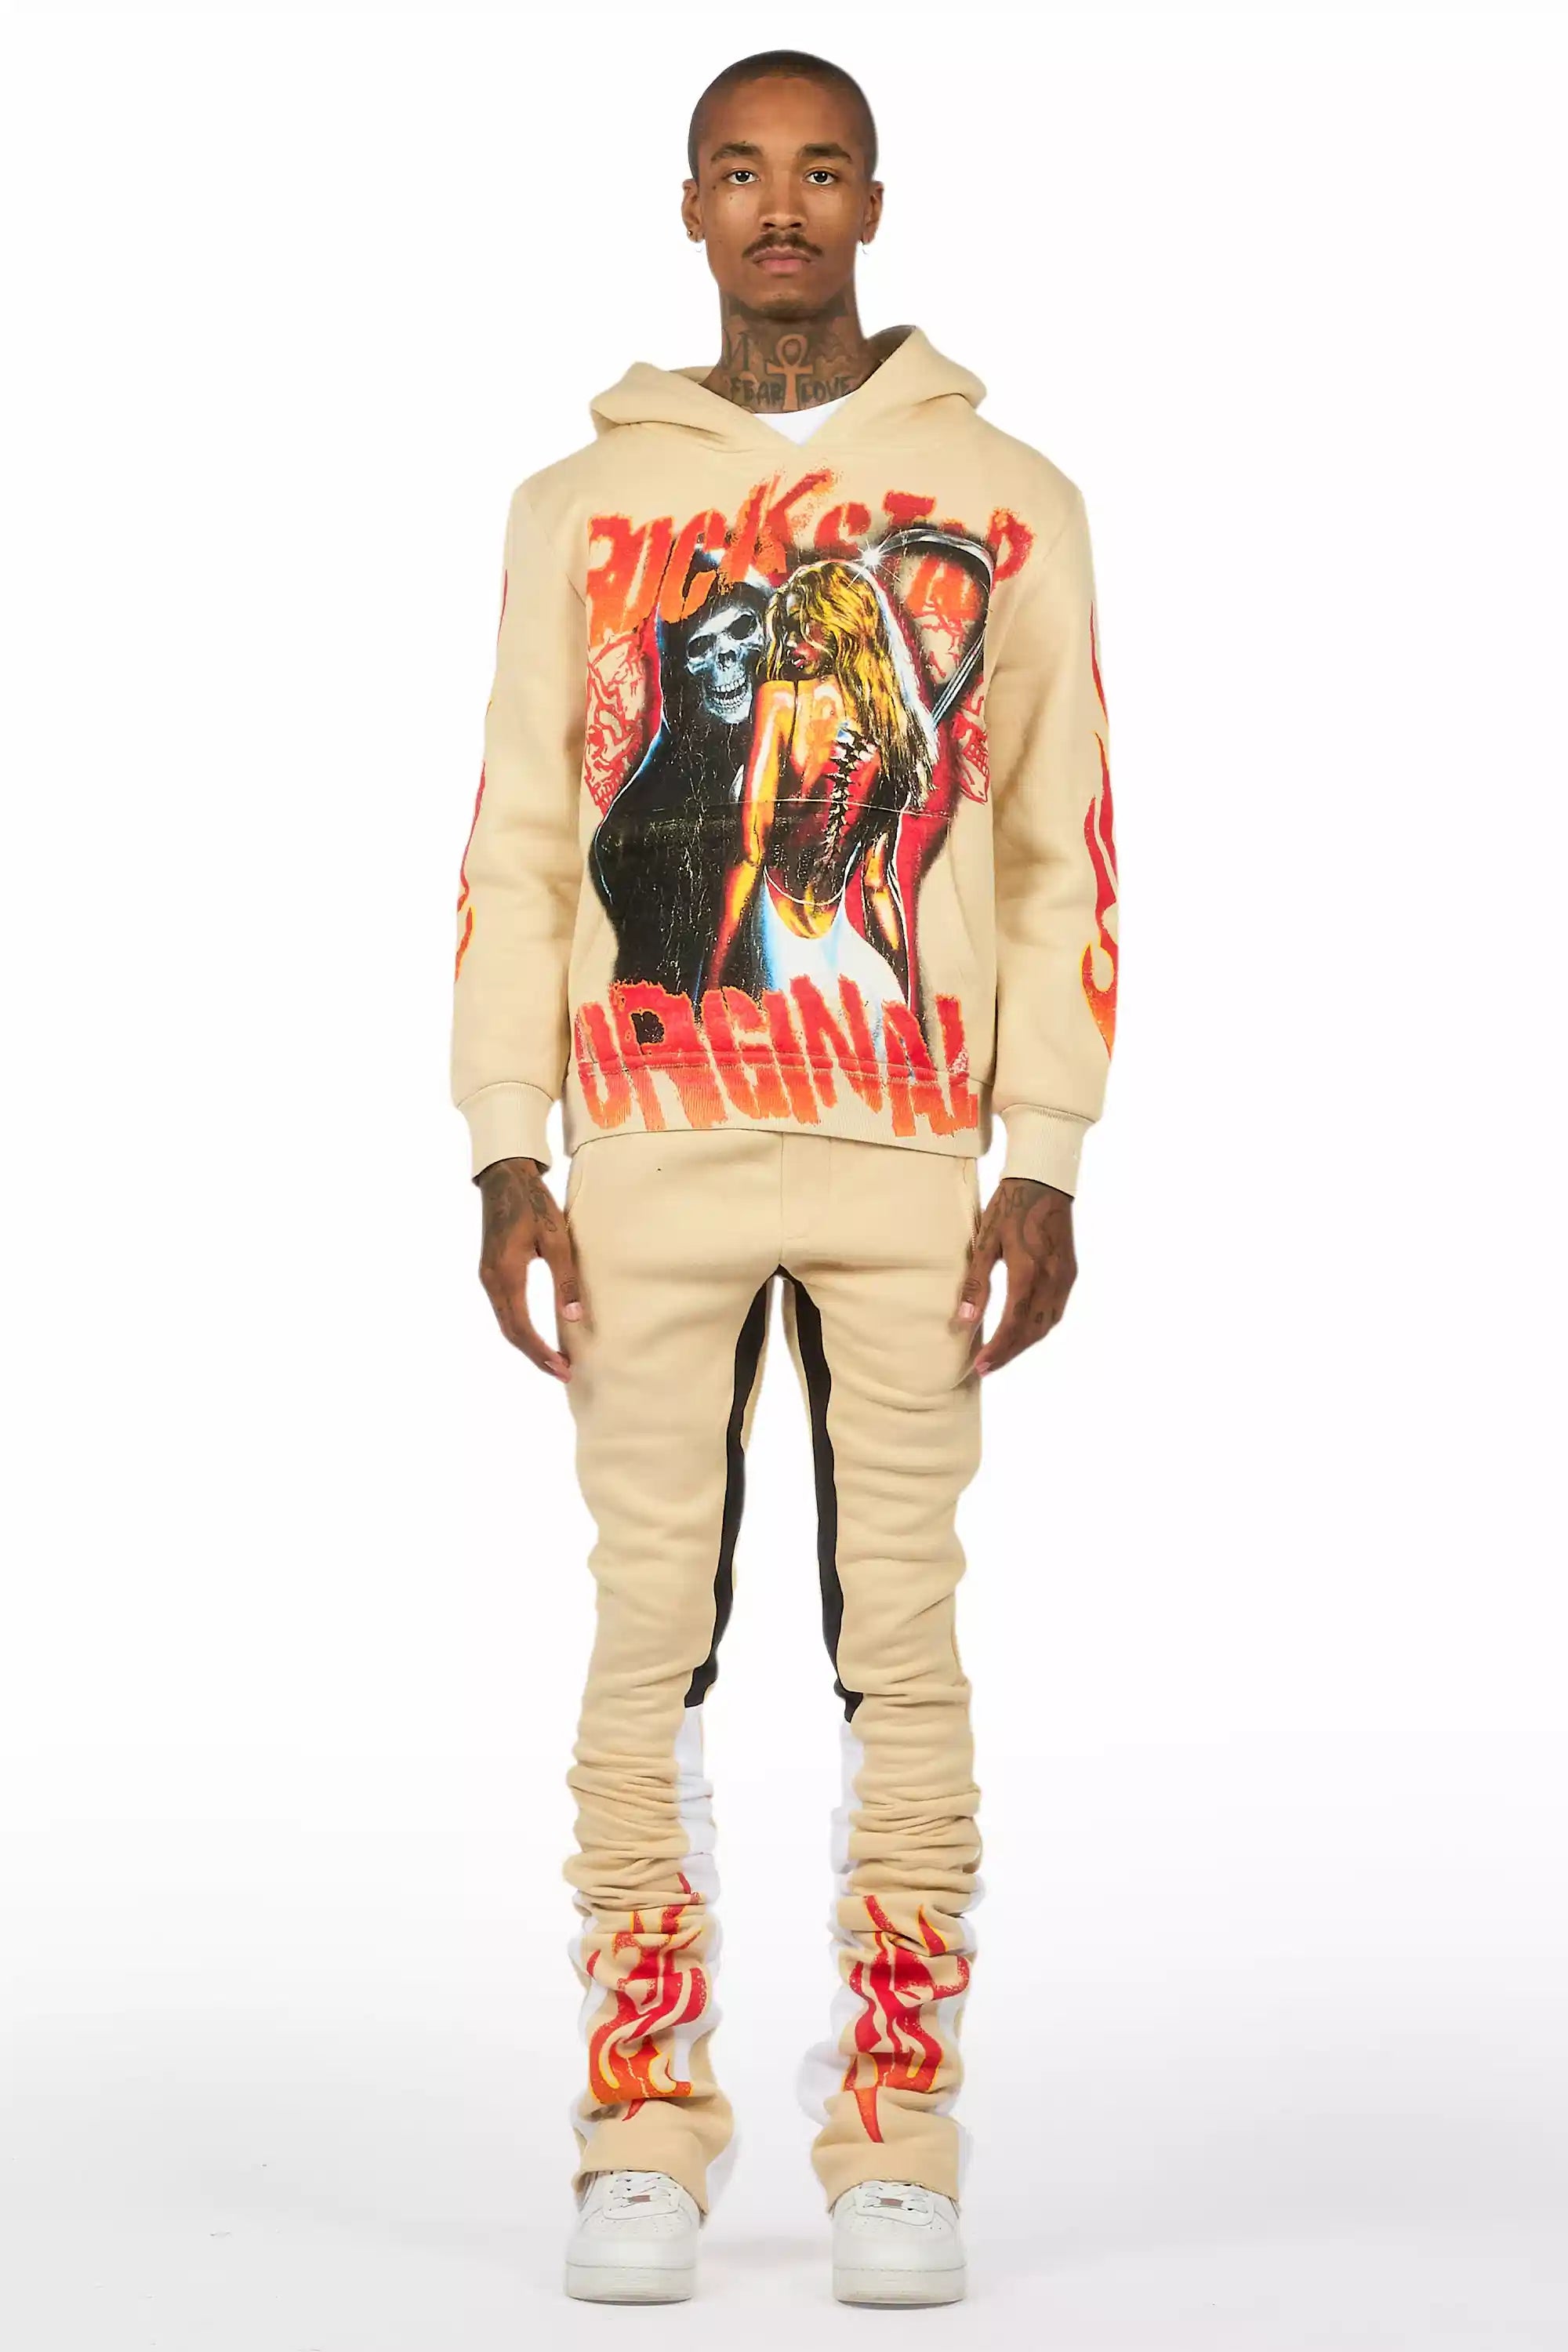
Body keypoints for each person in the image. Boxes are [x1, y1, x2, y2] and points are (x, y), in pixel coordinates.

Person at [450, 48, 1118, 2308]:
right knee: (648, 1637)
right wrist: (503, 1146)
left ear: (874, 204)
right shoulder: (578, 509)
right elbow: (521, 836)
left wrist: (1047, 1149)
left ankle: (899, 2139)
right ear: (689, 208)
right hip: (643, 1144)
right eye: (741, 172)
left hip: (911, 1149)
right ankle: (640, 2128)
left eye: (821, 172)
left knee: (898, 1637)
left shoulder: (1010, 500)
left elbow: (1058, 846)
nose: (781, 211)